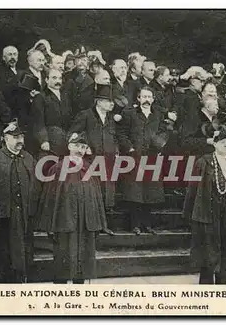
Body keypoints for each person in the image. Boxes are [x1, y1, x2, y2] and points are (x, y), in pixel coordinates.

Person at [36, 133, 108, 284]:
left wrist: (98, 222)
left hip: (85, 224)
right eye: (77, 146)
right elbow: (49, 198)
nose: (80, 150)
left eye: (83, 147)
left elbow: (96, 197)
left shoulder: (90, 169)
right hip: (65, 223)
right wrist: (49, 224)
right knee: (63, 263)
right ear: (69, 146)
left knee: (82, 266)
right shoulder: (57, 168)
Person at [0, 119, 39, 283]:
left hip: (24, 217)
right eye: (14, 137)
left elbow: (36, 186)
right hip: (2, 219)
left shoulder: (28, 158)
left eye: (21, 137)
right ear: (5, 138)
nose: (19, 141)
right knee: (2, 255)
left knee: (23, 254)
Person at [183, 130, 226, 284]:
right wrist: (190, 213)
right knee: (209, 250)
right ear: (215, 144)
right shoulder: (204, 162)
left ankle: (222, 282)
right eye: (222, 142)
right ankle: (206, 286)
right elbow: (192, 188)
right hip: (210, 212)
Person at [117, 87, 172, 235]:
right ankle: (135, 225)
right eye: (144, 97)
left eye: (149, 97)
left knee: (150, 192)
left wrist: (160, 147)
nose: (147, 99)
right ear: (139, 99)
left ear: (153, 99)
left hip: (152, 157)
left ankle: (147, 224)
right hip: (135, 157)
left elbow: (164, 132)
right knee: (135, 193)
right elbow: (121, 133)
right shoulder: (129, 114)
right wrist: (129, 149)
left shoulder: (158, 115)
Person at [69, 84, 119, 221]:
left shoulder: (111, 118)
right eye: (109, 101)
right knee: (92, 192)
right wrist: (85, 147)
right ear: (99, 101)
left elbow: (115, 137)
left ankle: (105, 223)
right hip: (91, 159)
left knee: (107, 193)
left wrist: (116, 151)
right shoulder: (86, 115)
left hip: (108, 160)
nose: (112, 104)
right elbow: (73, 134)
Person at [32, 68, 73, 157]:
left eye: (59, 78)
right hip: (50, 141)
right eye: (54, 78)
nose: (58, 81)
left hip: (65, 139)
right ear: (46, 80)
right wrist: (43, 140)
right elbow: (38, 121)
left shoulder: (65, 96)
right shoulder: (40, 97)